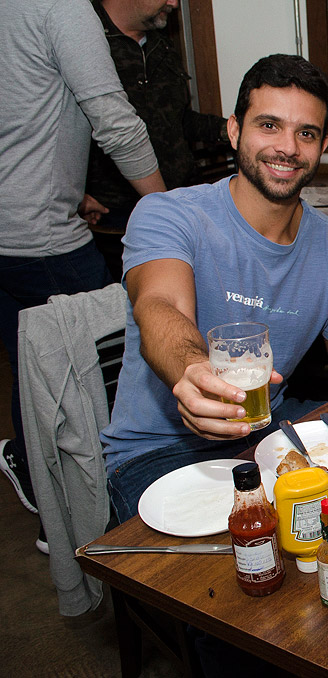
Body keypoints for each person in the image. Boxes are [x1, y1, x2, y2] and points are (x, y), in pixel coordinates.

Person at [100, 54, 328, 524]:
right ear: (234, 131)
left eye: (306, 133)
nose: (287, 147)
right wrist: (192, 371)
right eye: (268, 125)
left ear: (322, 145)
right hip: (160, 452)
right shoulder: (169, 214)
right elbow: (160, 306)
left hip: (270, 438)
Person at [0, 0, 165, 549]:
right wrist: (172, 215)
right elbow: (114, 123)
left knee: (32, 375)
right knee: (99, 386)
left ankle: (31, 472)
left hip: (13, 232)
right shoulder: (60, 8)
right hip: (43, 240)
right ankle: (86, 524)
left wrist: (67, 188)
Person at [82, 0, 229, 236]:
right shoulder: (83, 39)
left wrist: (231, 129)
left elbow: (176, 121)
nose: (174, 3)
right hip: (118, 215)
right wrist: (73, 196)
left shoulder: (162, 44)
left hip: (183, 199)